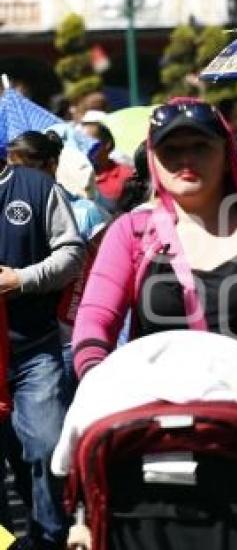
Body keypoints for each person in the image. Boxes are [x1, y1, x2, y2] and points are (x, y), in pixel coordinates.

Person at [72, 98, 237, 385]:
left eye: (201, 147)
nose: (186, 160)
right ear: (153, 159)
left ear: (226, 154)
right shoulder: (129, 232)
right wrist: (95, 376)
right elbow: (95, 317)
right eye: (170, 150)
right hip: (156, 413)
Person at [1, 134, 87, 548]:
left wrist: (22, 280)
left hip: (33, 349)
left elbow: (72, 253)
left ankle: (49, 538)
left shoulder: (37, 187)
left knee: (47, 447)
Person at [79, 120, 134, 213]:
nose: (84, 149)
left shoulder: (127, 177)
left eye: (89, 142)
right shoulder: (70, 176)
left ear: (107, 145)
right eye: (80, 143)